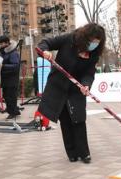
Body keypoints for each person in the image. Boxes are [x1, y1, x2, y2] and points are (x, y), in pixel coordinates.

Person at [37, 23, 106, 163]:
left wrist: (86, 85)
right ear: (85, 37)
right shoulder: (69, 40)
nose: (94, 44)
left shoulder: (93, 54)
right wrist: (45, 51)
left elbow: (89, 72)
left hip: (77, 88)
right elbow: (44, 43)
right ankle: (72, 153)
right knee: (65, 120)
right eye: (92, 40)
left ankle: (84, 153)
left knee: (79, 118)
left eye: (97, 42)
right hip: (59, 85)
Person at [0, 35, 21, 120]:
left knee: (11, 96)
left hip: (12, 78)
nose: (1, 45)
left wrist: (2, 66)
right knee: (6, 95)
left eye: (2, 43)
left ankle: (13, 113)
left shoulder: (13, 53)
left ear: (7, 43)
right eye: (0, 44)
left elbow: (15, 66)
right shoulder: (3, 52)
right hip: (5, 77)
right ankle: (13, 110)